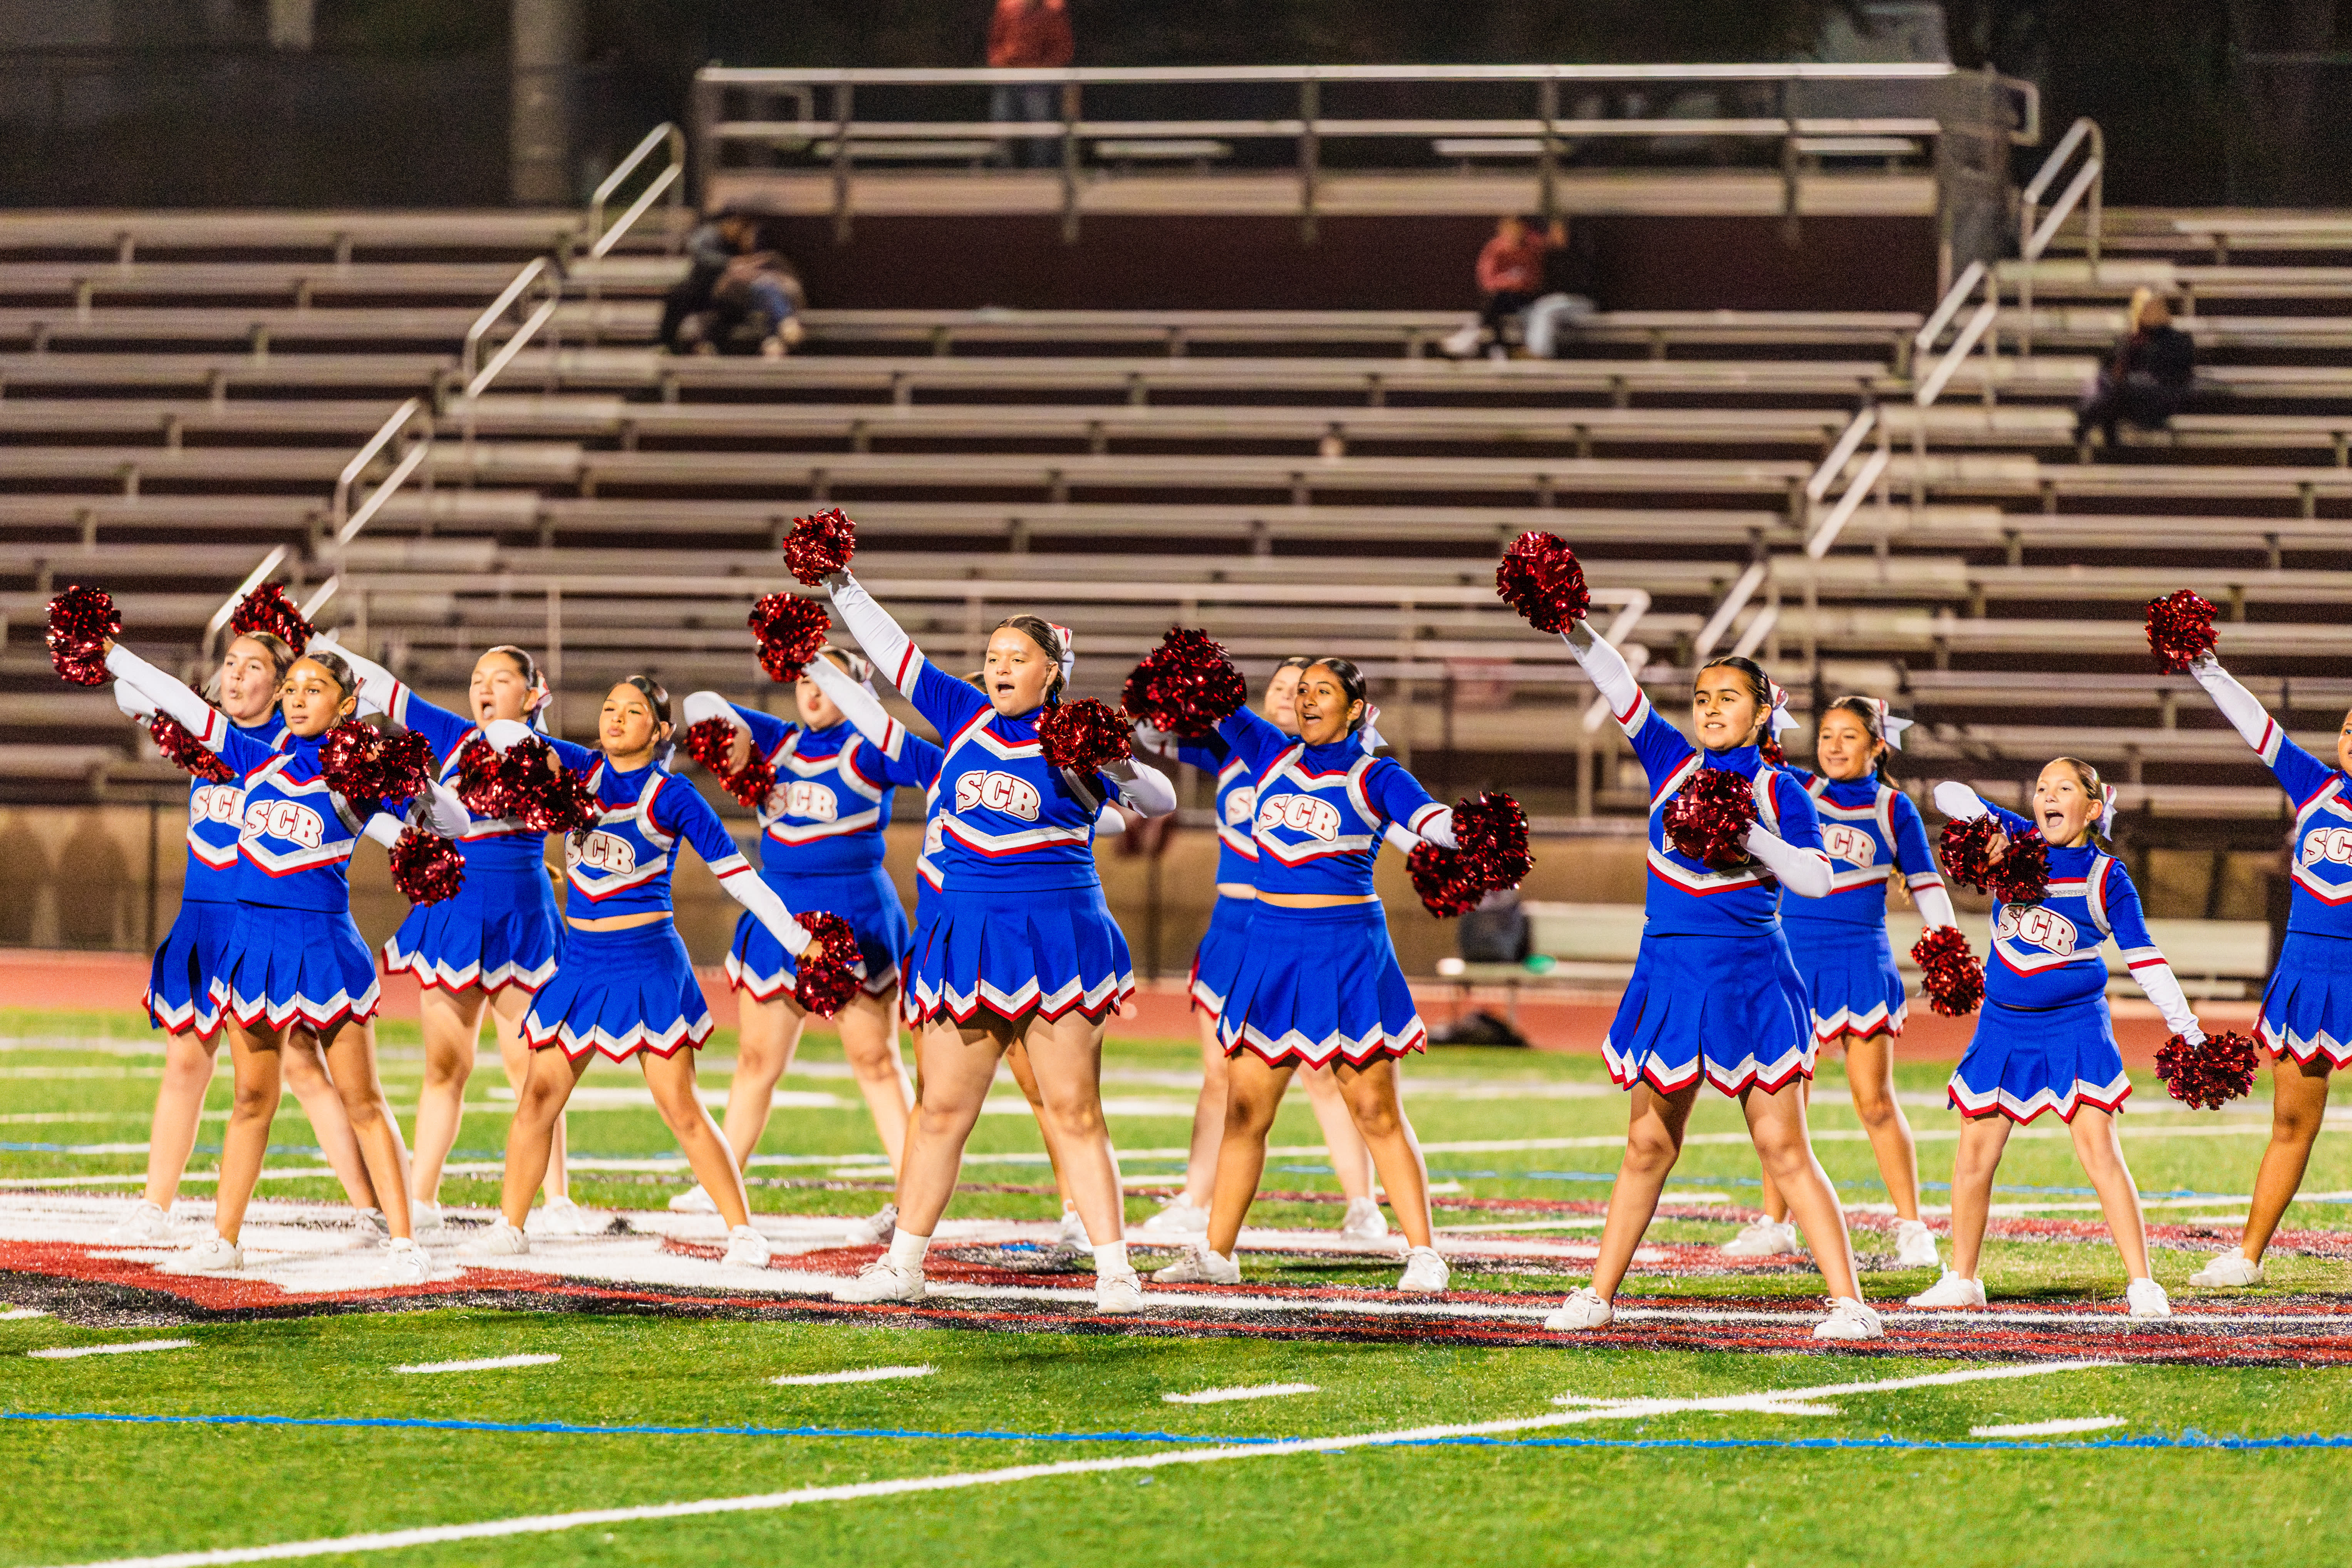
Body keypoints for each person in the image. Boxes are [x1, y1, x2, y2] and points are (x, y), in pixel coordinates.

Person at [820, 571, 1179, 1311]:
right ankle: (904, 1265)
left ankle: (1115, 1271)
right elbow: (895, 654)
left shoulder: (1076, 735)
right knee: (940, 1112)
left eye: (1018, 658)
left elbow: (1160, 799)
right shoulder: (962, 712)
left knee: (1074, 1111)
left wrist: (1114, 764)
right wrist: (841, 585)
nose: (1000, 668)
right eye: (992, 657)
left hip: (1056, 936)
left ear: (1052, 671)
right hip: (969, 935)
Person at [1541, 630, 1881, 1340]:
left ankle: (1851, 1304)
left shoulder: (1778, 789)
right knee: (1646, 1145)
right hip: (1669, 970)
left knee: (1783, 1149)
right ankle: (1598, 1296)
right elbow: (1616, 683)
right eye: (1701, 698)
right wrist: (1571, 625)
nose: (1710, 709)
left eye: (1727, 698)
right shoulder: (1669, 760)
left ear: (1761, 714)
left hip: (1748, 976)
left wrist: (1747, 834)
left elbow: (1817, 879)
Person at [96, 639, 468, 1280]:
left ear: (346, 705)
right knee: (250, 1098)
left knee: (362, 1100)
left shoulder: (355, 781)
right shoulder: (254, 756)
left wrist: (407, 780)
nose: (297, 700)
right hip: (252, 948)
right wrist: (112, 653)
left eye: (313, 690)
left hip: (323, 949)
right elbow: (180, 702)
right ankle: (225, 1238)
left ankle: (404, 1239)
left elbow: (453, 823)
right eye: (291, 689)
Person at [466, 678, 840, 1269]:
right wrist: (536, 740)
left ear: (661, 730)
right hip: (580, 963)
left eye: (633, 710)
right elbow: (501, 734)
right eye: (608, 707)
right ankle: (510, 1225)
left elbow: (737, 875)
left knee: (681, 1107)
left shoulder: (672, 794)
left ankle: (743, 1231)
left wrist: (797, 939)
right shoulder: (581, 769)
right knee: (537, 1098)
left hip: (646, 962)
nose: (615, 717)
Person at [1150, 659, 1457, 1294]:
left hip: (1344, 951)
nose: (1306, 699)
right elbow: (1214, 702)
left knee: (1375, 1109)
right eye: (1300, 690)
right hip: (1268, 947)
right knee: (1244, 1111)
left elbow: (1432, 821)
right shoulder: (1268, 751)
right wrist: (1181, 674)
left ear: (1354, 709)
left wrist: (1472, 833)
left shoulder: (1375, 775)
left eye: (1322, 691)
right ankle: (1217, 1252)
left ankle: (1424, 1252)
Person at [814, 654, 1130, 1261]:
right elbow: (878, 724)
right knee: (933, 1098)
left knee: (1049, 1092)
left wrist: (1093, 795)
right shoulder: (942, 764)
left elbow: (1108, 814)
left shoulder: (1045, 771)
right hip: (947, 942)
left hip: (1017, 942)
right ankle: (906, 1221)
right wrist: (817, 664)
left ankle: (1077, 1213)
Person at [106, 629, 383, 1243]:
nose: (234, 675)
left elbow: (371, 816)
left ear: (282, 685)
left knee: (305, 1066)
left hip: (262, 924)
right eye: (229, 662)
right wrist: (115, 663)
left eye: (253, 666)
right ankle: (156, 1205)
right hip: (201, 921)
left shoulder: (292, 748)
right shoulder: (209, 738)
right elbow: (141, 697)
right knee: (186, 1061)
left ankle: (370, 1206)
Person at [309, 636, 587, 1238]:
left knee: (533, 1068)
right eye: (477, 677)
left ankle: (557, 1198)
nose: (484, 687)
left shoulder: (554, 754)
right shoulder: (456, 736)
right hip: (455, 913)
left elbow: (608, 787)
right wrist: (305, 636)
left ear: (533, 694)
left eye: (500, 678)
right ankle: (422, 1197)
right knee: (445, 1066)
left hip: (523, 918)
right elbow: (381, 685)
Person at [1908, 765, 2205, 1318]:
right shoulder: (2017, 837)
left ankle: (2142, 1283)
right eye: (2041, 788)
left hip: (2074, 1025)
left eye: (2063, 789)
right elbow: (1947, 791)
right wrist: (1984, 826)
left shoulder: (2106, 876)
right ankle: (1963, 1279)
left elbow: (2144, 958)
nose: (2047, 796)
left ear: (2091, 809)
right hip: (2002, 1025)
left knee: (2100, 1154)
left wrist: (2186, 1027)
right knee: (1973, 1156)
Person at [671, 650, 931, 1241]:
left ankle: (914, 1190)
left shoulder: (868, 748)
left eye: (829, 682)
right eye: (805, 680)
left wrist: (870, 710)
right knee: (756, 1059)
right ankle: (721, 1182)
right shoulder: (781, 741)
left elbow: (936, 767)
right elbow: (702, 707)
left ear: (858, 690)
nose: (812, 691)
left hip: (854, 914)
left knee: (875, 1061)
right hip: (777, 912)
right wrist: (739, 738)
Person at [1135, 656, 1392, 1244]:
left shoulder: (1335, 762)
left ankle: (1362, 1202)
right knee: (1218, 1074)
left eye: (1300, 689)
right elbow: (1150, 735)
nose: (1287, 696)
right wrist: (1163, 687)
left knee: (1324, 1072)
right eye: (1279, 687)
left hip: (1297, 926)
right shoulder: (1233, 750)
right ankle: (1196, 1197)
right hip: (1231, 927)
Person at [1725, 696, 1957, 1272]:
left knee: (1873, 1100)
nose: (1832, 745)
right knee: (1782, 1100)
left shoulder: (1892, 807)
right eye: (1826, 734)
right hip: (1790, 960)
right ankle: (1775, 1224)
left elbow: (1925, 882)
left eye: (1848, 736)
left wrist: (1947, 944)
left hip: (1858, 962)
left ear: (1877, 745)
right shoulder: (1796, 789)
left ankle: (1912, 1226)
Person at [2179, 650, 2352, 1288]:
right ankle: (2247, 1257)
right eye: (2348, 728)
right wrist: (2205, 668)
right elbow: (2257, 727)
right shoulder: (2314, 786)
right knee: (2290, 1122)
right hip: (2306, 972)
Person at [661, 209, 803, 358]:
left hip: (749, 299)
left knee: (765, 289)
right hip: (719, 295)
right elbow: (699, 253)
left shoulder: (766, 255)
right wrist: (731, 267)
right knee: (683, 298)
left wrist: (760, 274)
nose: (742, 233)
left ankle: (779, 333)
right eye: (739, 227)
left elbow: (789, 282)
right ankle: (781, 330)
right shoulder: (715, 240)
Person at [2075, 288, 2194, 453]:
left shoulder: (2178, 341)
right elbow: (2109, 371)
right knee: (2108, 388)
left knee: (2119, 392)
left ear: (2164, 312)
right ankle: (2108, 445)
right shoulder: (2128, 341)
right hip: (2128, 401)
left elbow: (2173, 376)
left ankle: (2087, 422)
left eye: (2152, 309)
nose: (2147, 313)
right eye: (2143, 309)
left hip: (2161, 400)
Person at [1443, 213, 1555, 359]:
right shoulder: (1496, 248)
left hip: (1524, 300)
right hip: (1501, 299)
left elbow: (1533, 281)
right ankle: (1497, 348)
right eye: (1510, 229)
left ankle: (1479, 342)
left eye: (1518, 229)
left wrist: (1512, 282)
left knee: (1497, 305)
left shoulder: (1532, 248)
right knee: (1497, 301)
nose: (1514, 233)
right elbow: (1487, 280)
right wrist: (1512, 281)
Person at [987, 0, 1073, 169]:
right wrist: (1001, 63)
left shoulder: (1054, 9)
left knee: (1040, 127)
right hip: (1009, 76)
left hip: (1038, 79)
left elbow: (1063, 48)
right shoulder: (1007, 6)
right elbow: (996, 43)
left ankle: (1040, 172)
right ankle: (1003, 172)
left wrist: (1042, 69)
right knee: (1002, 124)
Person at [1520, 218, 1598, 359]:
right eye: (1553, 231)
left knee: (1546, 312)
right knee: (1531, 311)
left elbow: (1580, 287)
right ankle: (1533, 351)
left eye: (1560, 232)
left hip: (1581, 303)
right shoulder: (1551, 257)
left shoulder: (1580, 255)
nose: (1555, 235)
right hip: (1558, 304)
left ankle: (1540, 355)